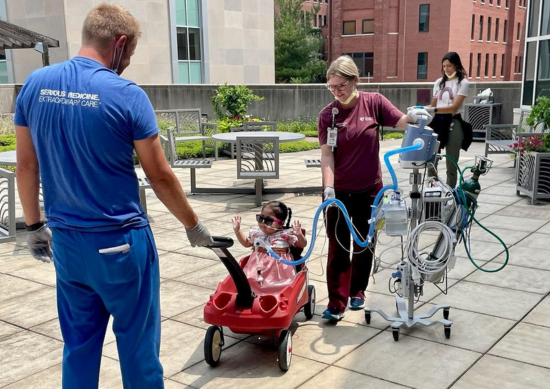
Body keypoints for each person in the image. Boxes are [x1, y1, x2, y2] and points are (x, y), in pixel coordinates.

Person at [14, 4, 213, 389]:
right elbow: (159, 176)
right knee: (138, 350)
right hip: (120, 245)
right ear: (119, 44)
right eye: (130, 55)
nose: (126, 65)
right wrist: (194, 225)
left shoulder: (34, 86)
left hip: (67, 244)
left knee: (79, 346)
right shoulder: (126, 94)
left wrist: (35, 226)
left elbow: (26, 167)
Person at [318, 55, 431, 322]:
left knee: (364, 243)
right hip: (339, 192)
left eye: (341, 86)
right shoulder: (328, 115)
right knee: (337, 247)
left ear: (355, 80)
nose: (336, 92)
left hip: (369, 191)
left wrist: (415, 117)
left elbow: (402, 120)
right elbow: (327, 155)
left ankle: (358, 291)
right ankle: (336, 302)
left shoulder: (374, 102)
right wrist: (328, 189)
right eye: (331, 87)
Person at [231, 201, 307, 293]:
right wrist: (238, 231)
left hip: (279, 268)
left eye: (268, 221)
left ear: (280, 223)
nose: (263, 223)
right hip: (257, 265)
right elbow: (247, 243)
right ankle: (252, 296)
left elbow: (301, 244)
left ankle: (278, 297)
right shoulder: (257, 232)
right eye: (260, 218)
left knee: (283, 285)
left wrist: (299, 235)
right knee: (248, 280)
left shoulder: (286, 234)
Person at [425, 52, 471, 188]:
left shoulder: (463, 83)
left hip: (453, 120)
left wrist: (434, 110)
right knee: (431, 157)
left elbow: (454, 107)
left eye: (449, 66)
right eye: (444, 66)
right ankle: (432, 188)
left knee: (451, 160)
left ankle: (450, 191)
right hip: (438, 121)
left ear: (457, 65)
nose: (446, 69)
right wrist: (420, 108)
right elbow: (433, 105)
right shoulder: (439, 82)